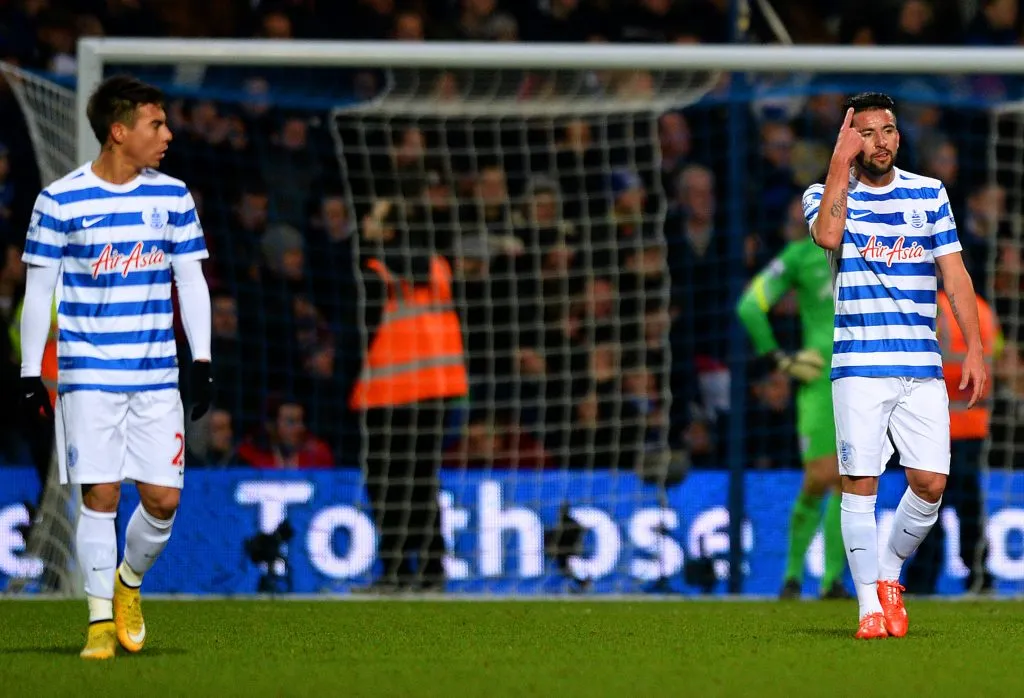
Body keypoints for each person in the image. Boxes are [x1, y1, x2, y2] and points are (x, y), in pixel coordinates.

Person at [19, 76, 212, 659]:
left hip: (155, 377)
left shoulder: (173, 197)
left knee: (163, 502)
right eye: (156, 124)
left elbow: (191, 280)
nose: (168, 134)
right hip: (88, 377)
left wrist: (200, 359)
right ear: (119, 131)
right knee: (99, 495)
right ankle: (99, 623)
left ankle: (128, 582)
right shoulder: (59, 200)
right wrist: (32, 371)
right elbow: (39, 289)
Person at [804, 92, 986, 639]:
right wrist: (839, 162)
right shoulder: (823, 194)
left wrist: (973, 346)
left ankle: (887, 577)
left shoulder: (929, 194)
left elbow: (953, 275)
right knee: (859, 483)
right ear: (848, 139)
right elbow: (829, 236)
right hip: (859, 366)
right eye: (866, 133)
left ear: (899, 135)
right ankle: (867, 609)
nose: (879, 142)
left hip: (922, 365)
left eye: (887, 131)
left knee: (930, 483)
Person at [350, 200, 468, 592]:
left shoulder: (386, 263)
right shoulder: (436, 265)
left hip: (399, 391)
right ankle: (426, 570)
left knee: (394, 483)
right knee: (417, 482)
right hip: (423, 388)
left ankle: (401, 570)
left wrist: (373, 233)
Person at [737, 211, 850, 601]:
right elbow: (750, 306)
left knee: (849, 482)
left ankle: (828, 580)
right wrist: (778, 360)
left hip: (865, 378)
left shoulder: (868, 250)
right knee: (822, 477)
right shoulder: (800, 256)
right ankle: (793, 575)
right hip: (823, 379)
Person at [904, 286, 1001, 594]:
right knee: (969, 504)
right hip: (975, 422)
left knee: (928, 499)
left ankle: (924, 575)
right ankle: (979, 573)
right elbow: (995, 361)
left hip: (938, 423)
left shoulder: (935, 307)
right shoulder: (984, 311)